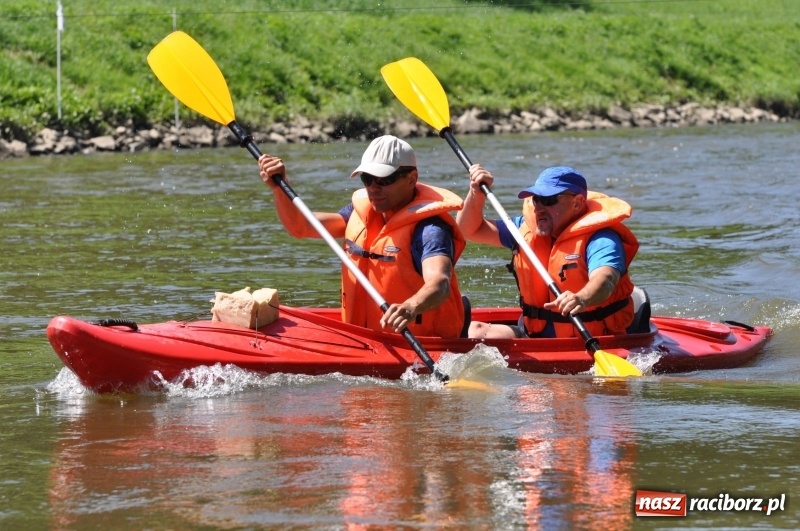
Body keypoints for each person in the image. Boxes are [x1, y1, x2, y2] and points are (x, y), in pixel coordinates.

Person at [258, 135, 467, 338]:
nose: (373, 188)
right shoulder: (360, 213)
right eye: (367, 179)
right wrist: (280, 188)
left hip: (425, 343)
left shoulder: (430, 229)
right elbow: (301, 227)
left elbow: (440, 283)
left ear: (411, 179)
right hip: (363, 338)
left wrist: (411, 306)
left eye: (384, 180)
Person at [456, 165, 639, 339]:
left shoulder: (601, 239)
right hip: (533, 333)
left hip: (597, 338)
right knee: (474, 330)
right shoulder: (524, 229)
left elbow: (606, 279)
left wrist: (582, 298)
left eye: (549, 200)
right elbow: (467, 230)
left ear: (577, 203)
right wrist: (476, 193)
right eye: (536, 199)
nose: (539, 208)